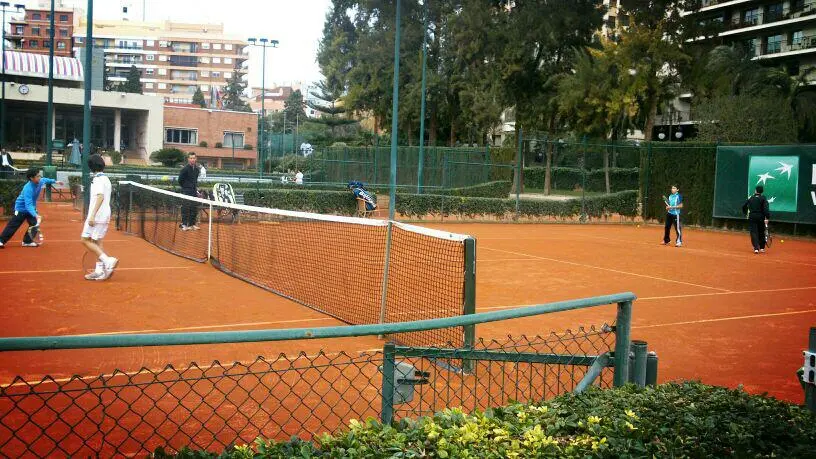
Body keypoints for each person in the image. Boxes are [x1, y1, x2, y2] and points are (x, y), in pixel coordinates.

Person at [0, 168, 62, 248]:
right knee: (13, 225)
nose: (40, 177)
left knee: (34, 224)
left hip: (31, 208)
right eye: (37, 176)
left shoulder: (40, 181)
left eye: (39, 175)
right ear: (31, 178)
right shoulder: (28, 188)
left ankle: (27, 241)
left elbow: (45, 180)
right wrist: (35, 214)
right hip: (21, 208)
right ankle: (1, 241)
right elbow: (28, 204)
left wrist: (55, 181)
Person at [81, 154, 118, 280]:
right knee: (98, 241)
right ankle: (99, 271)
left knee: (85, 239)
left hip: (97, 215)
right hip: (105, 214)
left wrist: (92, 215)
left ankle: (107, 261)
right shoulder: (106, 179)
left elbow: (100, 196)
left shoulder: (97, 179)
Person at [742, 185, 771, 254]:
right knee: (761, 232)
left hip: (752, 217)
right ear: (762, 191)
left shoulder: (751, 198)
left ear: (755, 190)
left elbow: (744, 207)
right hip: (761, 217)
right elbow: (766, 209)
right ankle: (762, 248)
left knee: (754, 232)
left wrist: (746, 213)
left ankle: (756, 249)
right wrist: (767, 217)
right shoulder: (763, 198)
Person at [178, 152, 201, 231]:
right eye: (191, 158)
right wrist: (186, 188)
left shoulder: (197, 170)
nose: (192, 160)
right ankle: (184, 224)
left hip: (194, 191)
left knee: (194, 208)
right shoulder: (184, 169)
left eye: (194, 158)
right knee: (185, 208)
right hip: (186, 191)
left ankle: (192, 224)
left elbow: (195, 181)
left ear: (196, 159)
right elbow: (180, 180)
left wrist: (195, 190)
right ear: (188, 159)